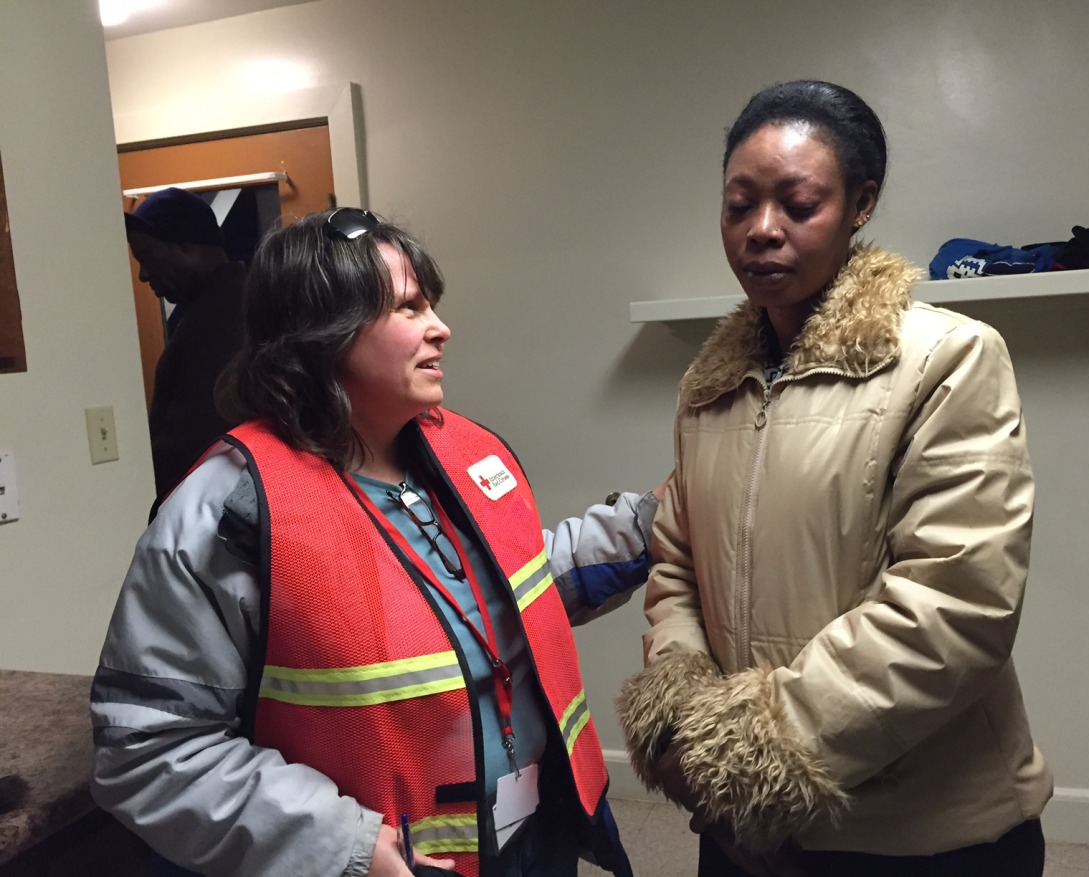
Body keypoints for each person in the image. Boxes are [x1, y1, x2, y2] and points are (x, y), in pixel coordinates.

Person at [91, 208, 662, 877]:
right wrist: (345, 847)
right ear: (320, 332)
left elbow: (519, 590)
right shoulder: (228, 509)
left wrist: (653, 519)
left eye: (432, 304)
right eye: (409, 307)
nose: (440, 328)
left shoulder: (464, 451)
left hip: (531, 843)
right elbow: (147, 749)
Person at [616, 80, 1052, 877]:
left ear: (861, 205)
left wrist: (757, 746)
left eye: (797, 203)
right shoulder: (708, 386)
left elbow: (957, 601)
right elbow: (677, 561)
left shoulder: (948, 358)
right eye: (738, 205)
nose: (761, 230)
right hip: (742, 828)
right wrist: (684, 713)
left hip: (914, 832)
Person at [124, 186, 246, 498]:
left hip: (213, 519)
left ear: (188, 246)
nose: (143, 275)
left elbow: (194, 442)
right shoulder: (225, 306)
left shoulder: (224, 321)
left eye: (147, 257)